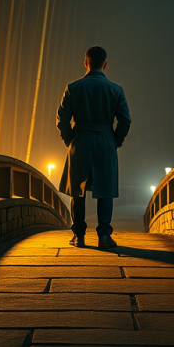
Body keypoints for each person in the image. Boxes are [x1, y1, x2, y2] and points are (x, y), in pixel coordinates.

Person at [56, 46, 131, 249]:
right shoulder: (116, 90)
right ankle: (104, 235)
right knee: (105, 190)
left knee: (77, 190)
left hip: (79, 140)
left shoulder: (73, 87)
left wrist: (69, 139)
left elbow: (62, 120)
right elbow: (125, 121)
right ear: (105, 64)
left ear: (85, 63)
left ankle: (78, 235)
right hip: (105, 140)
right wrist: (115, 140)